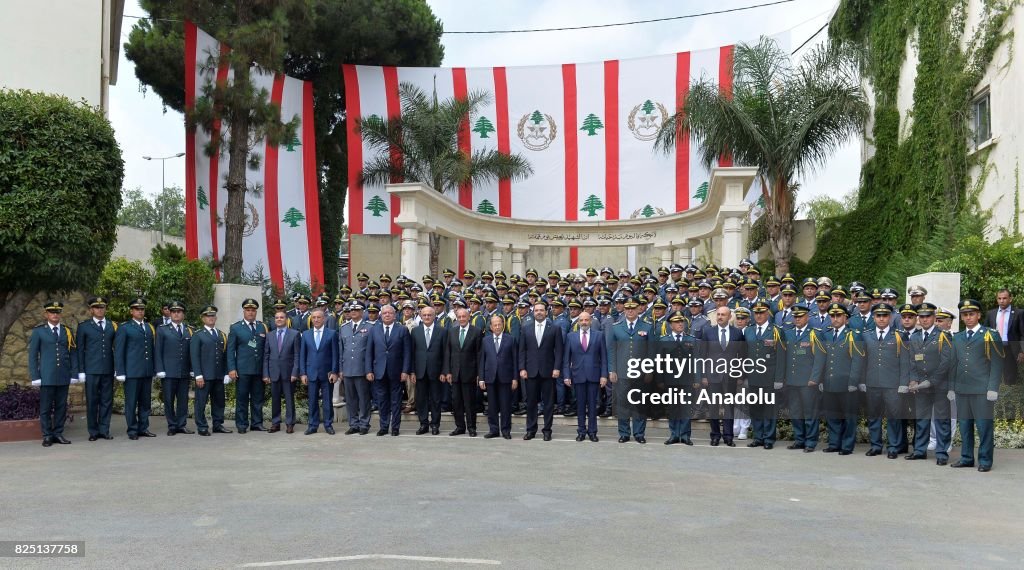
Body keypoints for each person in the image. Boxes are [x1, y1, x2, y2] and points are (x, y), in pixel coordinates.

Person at [949, 299, 1003, 472]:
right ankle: (966, 458)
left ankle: (985, 460)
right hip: (962, 389)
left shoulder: (990, 335)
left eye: (971, 314)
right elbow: (953, 364)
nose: (968, 317)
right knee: (965, 426)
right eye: (965, 315)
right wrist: (951, 387)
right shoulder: (957, 337)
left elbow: (997, 363)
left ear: (978, 315)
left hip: (982, 390)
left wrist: (993, 388)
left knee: (984, 426)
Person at [855, 303, 910, 458]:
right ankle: (876, 446)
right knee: (873, 416)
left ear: (890, 317)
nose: (881, 318)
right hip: (872, 383)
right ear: (873, 317)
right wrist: (862, 381)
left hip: (893, 384)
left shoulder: (899, 335)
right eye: (878, 316)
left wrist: (903, 383)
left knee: (893, 417)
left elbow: (905, 362)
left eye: (884, 315)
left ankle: (893, 447)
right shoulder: (866, 335)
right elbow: (862, 360)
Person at [905, 303, 952, 463]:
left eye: (928, 316)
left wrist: (930, 382)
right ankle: (919, 450)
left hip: (939, 386)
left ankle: (941, 454)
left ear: (934, 318)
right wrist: (913, 380)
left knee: (941, 420)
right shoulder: (915, 337)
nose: (925, 320)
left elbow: (946, 363)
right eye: (922, 317)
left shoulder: (943, 336)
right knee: (922, 419)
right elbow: (912, 361)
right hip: (920, 387)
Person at [28, 300, 79, 447]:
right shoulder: (39, 331)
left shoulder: (66, 331)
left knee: (61, 407)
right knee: (45, 407)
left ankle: (58, 433)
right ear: (46, 314)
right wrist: (35, 376)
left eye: (57, 312)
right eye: (52, 312)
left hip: (63, 375)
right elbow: (33, 356)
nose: (55, 315)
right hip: (47, 376)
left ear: (60, 314)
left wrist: (74, 373)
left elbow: (73, 353)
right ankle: (47, 435)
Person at [816, 303, 862, 455]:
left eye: (838, 316)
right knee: (832, 416)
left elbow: (857, 360)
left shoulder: (853, 335)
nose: (835, 319)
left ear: (846, 318)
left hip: (847, 384)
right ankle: (834, 443)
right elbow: (822, 359)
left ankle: (847, 446)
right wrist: (821, 380)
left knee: (849, 417)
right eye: (832, 316)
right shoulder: (826, 334)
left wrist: (853, 381)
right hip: (830, 382)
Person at [699, 306, 747, 447]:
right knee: (713, 407)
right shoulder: (708, 333)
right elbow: (703, 356)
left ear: (729, 316)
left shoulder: (737, 333)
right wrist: (703, 376)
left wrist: (740, 375)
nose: (720, 317)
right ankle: (715, 436)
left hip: (731, 376)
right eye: (718, 314)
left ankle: (728, 436)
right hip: (712, 376)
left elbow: (743, 356)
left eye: (723, 315)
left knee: (729, 407)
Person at [606, 297, 653, 444]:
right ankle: (624, 432)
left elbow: (652, 350)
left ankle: (639, 433)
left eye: (633, 308)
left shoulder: (647, 326)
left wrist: (650, 370)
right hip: (622, 372)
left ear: (639, 308)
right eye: (627, 308)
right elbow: (611, 350)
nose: (630, 310)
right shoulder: (616, 327)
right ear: (624, 309)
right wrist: (612, 370)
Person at [781, 304, 825, 452]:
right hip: (792, 380)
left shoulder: (814, 333)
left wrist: (815, 378)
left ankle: (810, 442)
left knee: (810, 413)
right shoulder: (788, 333)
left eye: (800, 316)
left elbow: (819, 358)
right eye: (795, 316)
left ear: (807, 317)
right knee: (795, 412)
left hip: (808, 381)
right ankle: (799, 440)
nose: (797, 319)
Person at [518, 301, 564, 441]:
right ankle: (531, 430)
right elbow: (522, 350)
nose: (539, 312)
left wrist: (557, 368)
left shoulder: (554, 328)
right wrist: (522, 368)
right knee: (531, 402)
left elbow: (559, 351)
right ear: (533, 312)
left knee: (548, 403)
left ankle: (547, 430)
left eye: (541, 310)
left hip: (548, 371)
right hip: (531, 371)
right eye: (536, 310)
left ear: (546, 312)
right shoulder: (526, 328)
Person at [366, 305, 412, 436]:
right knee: (382, 401)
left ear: (395, 315)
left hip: (396, 372)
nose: (387, 315)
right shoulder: (374, 330)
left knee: (396, 401)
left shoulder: (402, 330)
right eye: (384, 313)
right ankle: (384, 426)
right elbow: (369, 352)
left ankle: (395, 427)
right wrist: (368, 370)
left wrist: (405, 371)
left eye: (389, 313)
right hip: (379, 372)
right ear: (381, 315)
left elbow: (407, 353)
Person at [115, 297, 157, 440]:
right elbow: (119, 351)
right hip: (132, 371)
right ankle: (132, 429)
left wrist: (154, 368)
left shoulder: (149, 327)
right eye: (137, 309)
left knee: (145, 402)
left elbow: (152, 349)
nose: (140, 311)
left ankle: (143, 428)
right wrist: (120, 371)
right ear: (131, 311)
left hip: (146, 371)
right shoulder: (125, 327)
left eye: (142, 309)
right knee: (131, 402)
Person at [744, 301, 784, 449]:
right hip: (753, 376)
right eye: (756, 313)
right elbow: (745, 355)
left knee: (769, 410)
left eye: (761, 312)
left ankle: (768, 439)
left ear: (767, 313)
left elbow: (781, 356)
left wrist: (779, 379)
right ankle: (758, 437)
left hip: (770, 377)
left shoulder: (776, 331)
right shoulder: (748, 331)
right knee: (755, 409)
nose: (759, 315)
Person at [77, 295, 116, 441]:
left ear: (106, 308)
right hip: (91, 370)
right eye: (97, 307)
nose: (100, 310)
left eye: (102, 307)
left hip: (108, 369)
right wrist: (81, 370)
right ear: (91, 309)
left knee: (106, 401)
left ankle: (104, 430)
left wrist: (117, 368)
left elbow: (116, 348)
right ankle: (93, 431)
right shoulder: (84, 326)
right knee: (92, 401)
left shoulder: (113, 325)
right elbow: (80, 350)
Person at [227, 298, 269, 433]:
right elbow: (230, 350)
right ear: (244, 311)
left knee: (258, 399)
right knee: (242, 399)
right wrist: (232, 368)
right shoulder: (236, 328)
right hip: (242, 370)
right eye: (248, 310)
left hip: (258, 370)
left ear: (256, 312)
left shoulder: (262, 327)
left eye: (253, 310)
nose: (250, 313)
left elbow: (265, 350)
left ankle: (257, 423)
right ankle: (242, 424)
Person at [653, 313, 694, 445]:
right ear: (671, 325)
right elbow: (660, 362)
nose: (680, 324)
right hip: (670, 379)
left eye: (682, 322)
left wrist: (697, 379)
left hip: (687, 379)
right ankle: (674, 434)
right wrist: (659, 379)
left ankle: (685, 435)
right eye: (677, 322)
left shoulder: (691, 339)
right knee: (673, 408)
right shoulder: (664, 340)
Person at [155, 300, 194, 436]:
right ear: (170, 314)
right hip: (168, 372)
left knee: (183, 400)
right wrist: (159, 369)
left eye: (179, 312)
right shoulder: (162, 330)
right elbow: (158, 351)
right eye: (174, 312)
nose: (176, 314)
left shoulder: (190, 330)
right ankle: (172, 425)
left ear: (183, 314)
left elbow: (191, 352)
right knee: (169, 400)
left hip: (184, 372)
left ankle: (181, 424)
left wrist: (192, 368)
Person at [442, 308, 483, 437]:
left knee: (469, 402)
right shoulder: (452, 331)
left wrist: (479, 374)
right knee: (456, 402)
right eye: (459, 317)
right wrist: (447, 371)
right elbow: (448, 352)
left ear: (469, 317)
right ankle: (460, 427)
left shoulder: (476, 331)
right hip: (454, 373)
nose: (461, 319)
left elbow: (479, 354)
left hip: (470, 373)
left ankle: (471, 427)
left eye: (464, 316)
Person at [299, 309, 339, 435]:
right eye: (314, 317)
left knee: (327, 401)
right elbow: (302, 356)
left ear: (324, 319)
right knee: (312, 400)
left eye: (318, 317)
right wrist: (303, 373)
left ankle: (328, 424)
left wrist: (334, 371)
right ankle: (312, 425)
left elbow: (335, 355)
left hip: (327, 373)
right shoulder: (306, 334)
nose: (316, 320)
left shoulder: (332, 334)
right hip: (311, 373)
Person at [479, 314, 518, 439]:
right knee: (492, 406)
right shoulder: (485, 340)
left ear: (503, 325)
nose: (497, 327)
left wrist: (515, 378)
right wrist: (481, 378)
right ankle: (493, 429)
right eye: (494, 325)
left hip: (506, 377)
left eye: (499, 324)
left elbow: (515, 360)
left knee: (505, 405)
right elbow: (482, 360)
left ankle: (506, 430)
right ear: (490, 327)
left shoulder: (510, 339)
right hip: (490, 377)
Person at [338, 302, 373, 435]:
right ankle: (353, 424)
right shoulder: (344, 328)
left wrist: (369, 369)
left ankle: (364, 424)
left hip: (362, 368)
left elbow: (371, 351)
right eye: (351, 310)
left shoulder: (369, 327)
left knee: (363, 399)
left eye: (356, 309)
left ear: (362, 311)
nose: (353, 312)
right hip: (347, 369)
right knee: (350, 399)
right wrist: (340, 369)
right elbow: (341, 350)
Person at [409, 306, 446, 435]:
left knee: (436, 400)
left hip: (436, 371)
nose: (427, 317)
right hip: (420, 371)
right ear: (421, 316)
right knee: (421, 399)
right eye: (424, 315)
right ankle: (423, 424)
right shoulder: (415, 331)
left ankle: (435, 425)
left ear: (434, 316)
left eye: (429, 315)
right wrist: (412, 371)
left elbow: (445, 353)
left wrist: (443, 371)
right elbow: (412, 353)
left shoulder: (442, 331)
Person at [264, 310, 301, 433]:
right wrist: (266, 374)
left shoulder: (294, 334)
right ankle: (275, 423)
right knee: (275, 399)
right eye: (277, 318)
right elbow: (266, 356)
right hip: (274, 372)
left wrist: (295, 372)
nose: (279, 319)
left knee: (289, 399)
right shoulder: (270, 335)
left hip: (289, 373)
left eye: (281, 317)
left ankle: (290, 423)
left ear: (286, 319)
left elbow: (297, 355)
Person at [985, 289, 1020, 386]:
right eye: (999, 298)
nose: (1002, 301)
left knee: (1009, 377)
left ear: (1010, 299)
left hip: (1010, 349)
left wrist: (1022, 351)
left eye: (1004, 298)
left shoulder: (1018, 313)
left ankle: (1009, 396)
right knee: (993, 374)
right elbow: (985, 331)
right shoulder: (991, 313)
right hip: (993, 348)